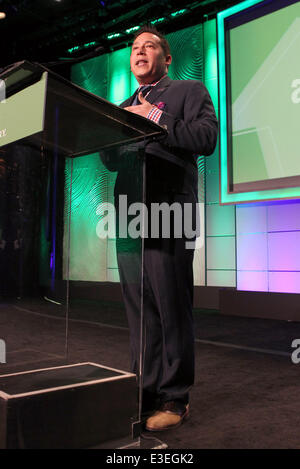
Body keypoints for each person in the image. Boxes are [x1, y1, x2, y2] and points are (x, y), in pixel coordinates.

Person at [104, 25, 218, 432]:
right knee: (140, 311)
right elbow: (112, 160)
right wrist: (107, 131)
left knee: (171, 307)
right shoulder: (121, 104)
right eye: (134, 47)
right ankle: (143, 391)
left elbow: (205, 138)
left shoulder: (189, 92)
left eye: (149, 45)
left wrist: (152, 116)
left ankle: (175, 397)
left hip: (170, 212)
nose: (140, 50)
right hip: (130, 215)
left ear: (166, 58)